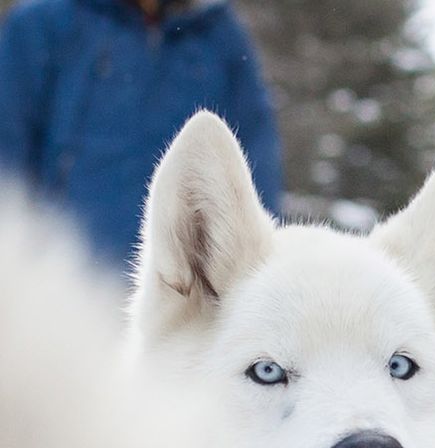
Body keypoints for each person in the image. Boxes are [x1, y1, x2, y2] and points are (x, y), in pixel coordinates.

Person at [0, 0, 281, 268]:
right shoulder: (41, 25)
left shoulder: (218, 34)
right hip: (68, 274)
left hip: (180, 283)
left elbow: (256, 166)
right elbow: (8, 156)